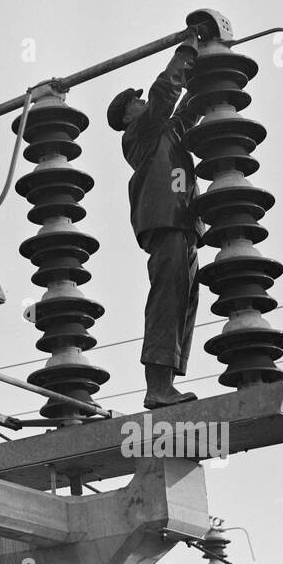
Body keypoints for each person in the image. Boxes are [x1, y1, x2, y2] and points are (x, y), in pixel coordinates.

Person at [107, 38, 206, 407]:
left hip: (182, 224)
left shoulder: (164, 134)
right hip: (167, 223)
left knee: (183, 300)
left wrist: (205, 69)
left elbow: (186, 110)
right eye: (136, 101)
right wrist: (187, 51)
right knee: (168, 299)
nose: (142, 101)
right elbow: (165, 92)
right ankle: (157, 386)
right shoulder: (140, 134)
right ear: (128, 117)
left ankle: (166, 381)